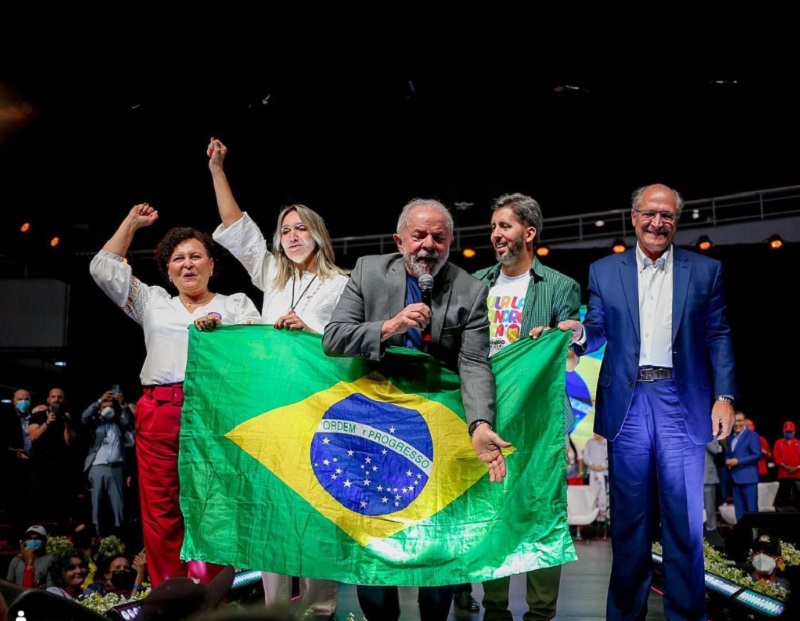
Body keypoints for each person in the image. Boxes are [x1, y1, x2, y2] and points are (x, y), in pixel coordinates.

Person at [322, 198, 511, 621]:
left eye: (439, 237)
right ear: (399, 240)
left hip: (433, 426)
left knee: (436, 537)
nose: (428, 245)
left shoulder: (470, 289)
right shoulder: (369, 271)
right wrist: (389, 326)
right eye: (419, 236)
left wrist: (480, 423)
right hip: (371, 424)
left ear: (450, 243)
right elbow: (334, 338)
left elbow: (474, 363)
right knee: (372, 536)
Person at [559, 183, 736, 621]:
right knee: (629, 527)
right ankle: (624, 616)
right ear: (634, 217)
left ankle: (688, 615)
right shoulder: (604, 270)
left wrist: (725, 396)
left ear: (677, 221)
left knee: (685, 528)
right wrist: (579, 336)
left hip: (683, 403)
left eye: (668, 216)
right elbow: (597, 327)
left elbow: (718, 335)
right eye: (651, 214)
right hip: (630, 404)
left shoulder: (705, 270)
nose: (658, 223)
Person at [207, 137, 348, 617]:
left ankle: (320, 607)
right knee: (272, 510)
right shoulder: (273, 275)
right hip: (272, 406)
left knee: (314, 511)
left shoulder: (343, 283)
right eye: (285, 229)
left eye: (300, 227)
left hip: (320, 407)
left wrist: (311, 329)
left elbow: (350, 343)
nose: (291, 235)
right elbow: (235, 226)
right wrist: (217, 169)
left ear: (318, 233)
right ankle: (275, 611)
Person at [90, 203, 260, 587]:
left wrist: (223, 336)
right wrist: (131, 223)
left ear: (211, 264)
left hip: (216, 411)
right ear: (167, 270)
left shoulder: (236, 305)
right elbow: (101, 267)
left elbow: (259, 350)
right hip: (160, 412)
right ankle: (171, 596)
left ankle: (213, 595)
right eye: (178, 258)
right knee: (161, 510)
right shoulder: (152, 303)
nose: (187, 264)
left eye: (196, 256)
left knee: (213, 506)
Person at [472, 192, 582, 621]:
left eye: (506, 226)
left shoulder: (559, 286)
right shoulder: (475, 283)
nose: (497, 234)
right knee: (491, 511)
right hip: (487, 414)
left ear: (529, 233)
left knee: (540, 509)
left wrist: (563, 335)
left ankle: (540, 614)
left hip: (538, 420)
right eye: (495, 226)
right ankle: (495, 609)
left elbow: (568, 356)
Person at [81, 389, 135, 537]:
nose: (108, 409)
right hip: (97, 468)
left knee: (119, 505)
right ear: (99, 409)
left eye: (110, 406)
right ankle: (97, 534)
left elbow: (130, 420)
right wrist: (99, 400)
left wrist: (123, 404)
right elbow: (84, 417)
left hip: (117, 468)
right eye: (104, 406)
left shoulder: (119, 423)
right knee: (96, 504)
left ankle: (120, 535)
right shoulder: (94, 423)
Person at [27, 387, 78, 528]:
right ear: (48, 400)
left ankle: (60, 534)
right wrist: (47, 422)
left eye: (60, 397)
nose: (56, 400)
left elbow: (69, 441)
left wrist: (67, 424)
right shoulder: (38, 416)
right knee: (37, 499)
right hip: (39, 464)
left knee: (61, 503)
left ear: (64, 400)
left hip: (60, 465)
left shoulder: (67, 418)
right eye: (53, 397)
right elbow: (33, 436)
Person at [0, 388, 34, 540]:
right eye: (20, 399)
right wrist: (13, 451)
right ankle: (16, 538)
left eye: (26, 399)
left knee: (31, 503)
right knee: (15, 503)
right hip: (13, 466)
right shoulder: (6, 419)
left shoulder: (35, 418)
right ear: (14, 402)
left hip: (33, 464)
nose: (23, 402)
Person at [726, 411, 761, 522]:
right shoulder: (731, 437)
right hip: (735, 479)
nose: (737, 423)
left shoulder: (752, 435)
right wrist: (727, 460)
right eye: (735, 421)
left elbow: (757, 454)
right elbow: (728, 454)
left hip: (748, 479)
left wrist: (738, 461)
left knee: (752, 510)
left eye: (740, 420)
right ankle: (741, 537)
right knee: (739, 511)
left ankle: (755, 538)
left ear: (745, 422)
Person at [5, 524, 53, 589]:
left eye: (36, 538)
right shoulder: (16, 560)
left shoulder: (51, 560)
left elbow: (51, 589)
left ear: (45, 540)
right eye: (29, 538)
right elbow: (8, 586)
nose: (32, 540)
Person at [582, 433, 609, 523]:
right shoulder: (590, 442)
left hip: (604, 473)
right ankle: (592, 519)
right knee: (591, 495)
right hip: (592, 472)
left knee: (603, 494)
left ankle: (603, 518)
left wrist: (602, 466)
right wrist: (592, 465)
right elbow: (585, 456)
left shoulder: (607, 442)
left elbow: (610, 457)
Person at [773, 420, 800, 507]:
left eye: (790, 432)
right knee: (784, 497)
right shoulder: (779, 443)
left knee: (798, 496)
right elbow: (777, 458)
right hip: (783, 474)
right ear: (783, 432)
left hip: (798, 474)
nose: (789, 433)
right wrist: (786, 467)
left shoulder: (799, 443)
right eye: (787, 432)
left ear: (794, 432)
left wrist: (797, 467)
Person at [703, 439, 722, 532]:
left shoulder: (711, 433)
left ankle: (711, 530)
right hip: (689, 476)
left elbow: (715, 449)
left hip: (707, 476)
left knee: (709, 506)